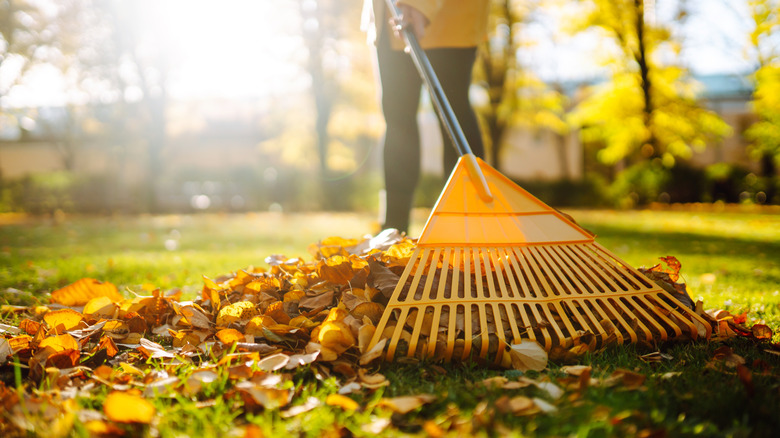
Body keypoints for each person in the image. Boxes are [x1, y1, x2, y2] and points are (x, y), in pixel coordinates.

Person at [362, 0, 490, 233]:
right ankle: (393, 229)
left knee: (454, 113)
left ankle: (468, 229)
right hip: (389, 16)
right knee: (398, 122)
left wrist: (420, 3)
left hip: (449, 18)